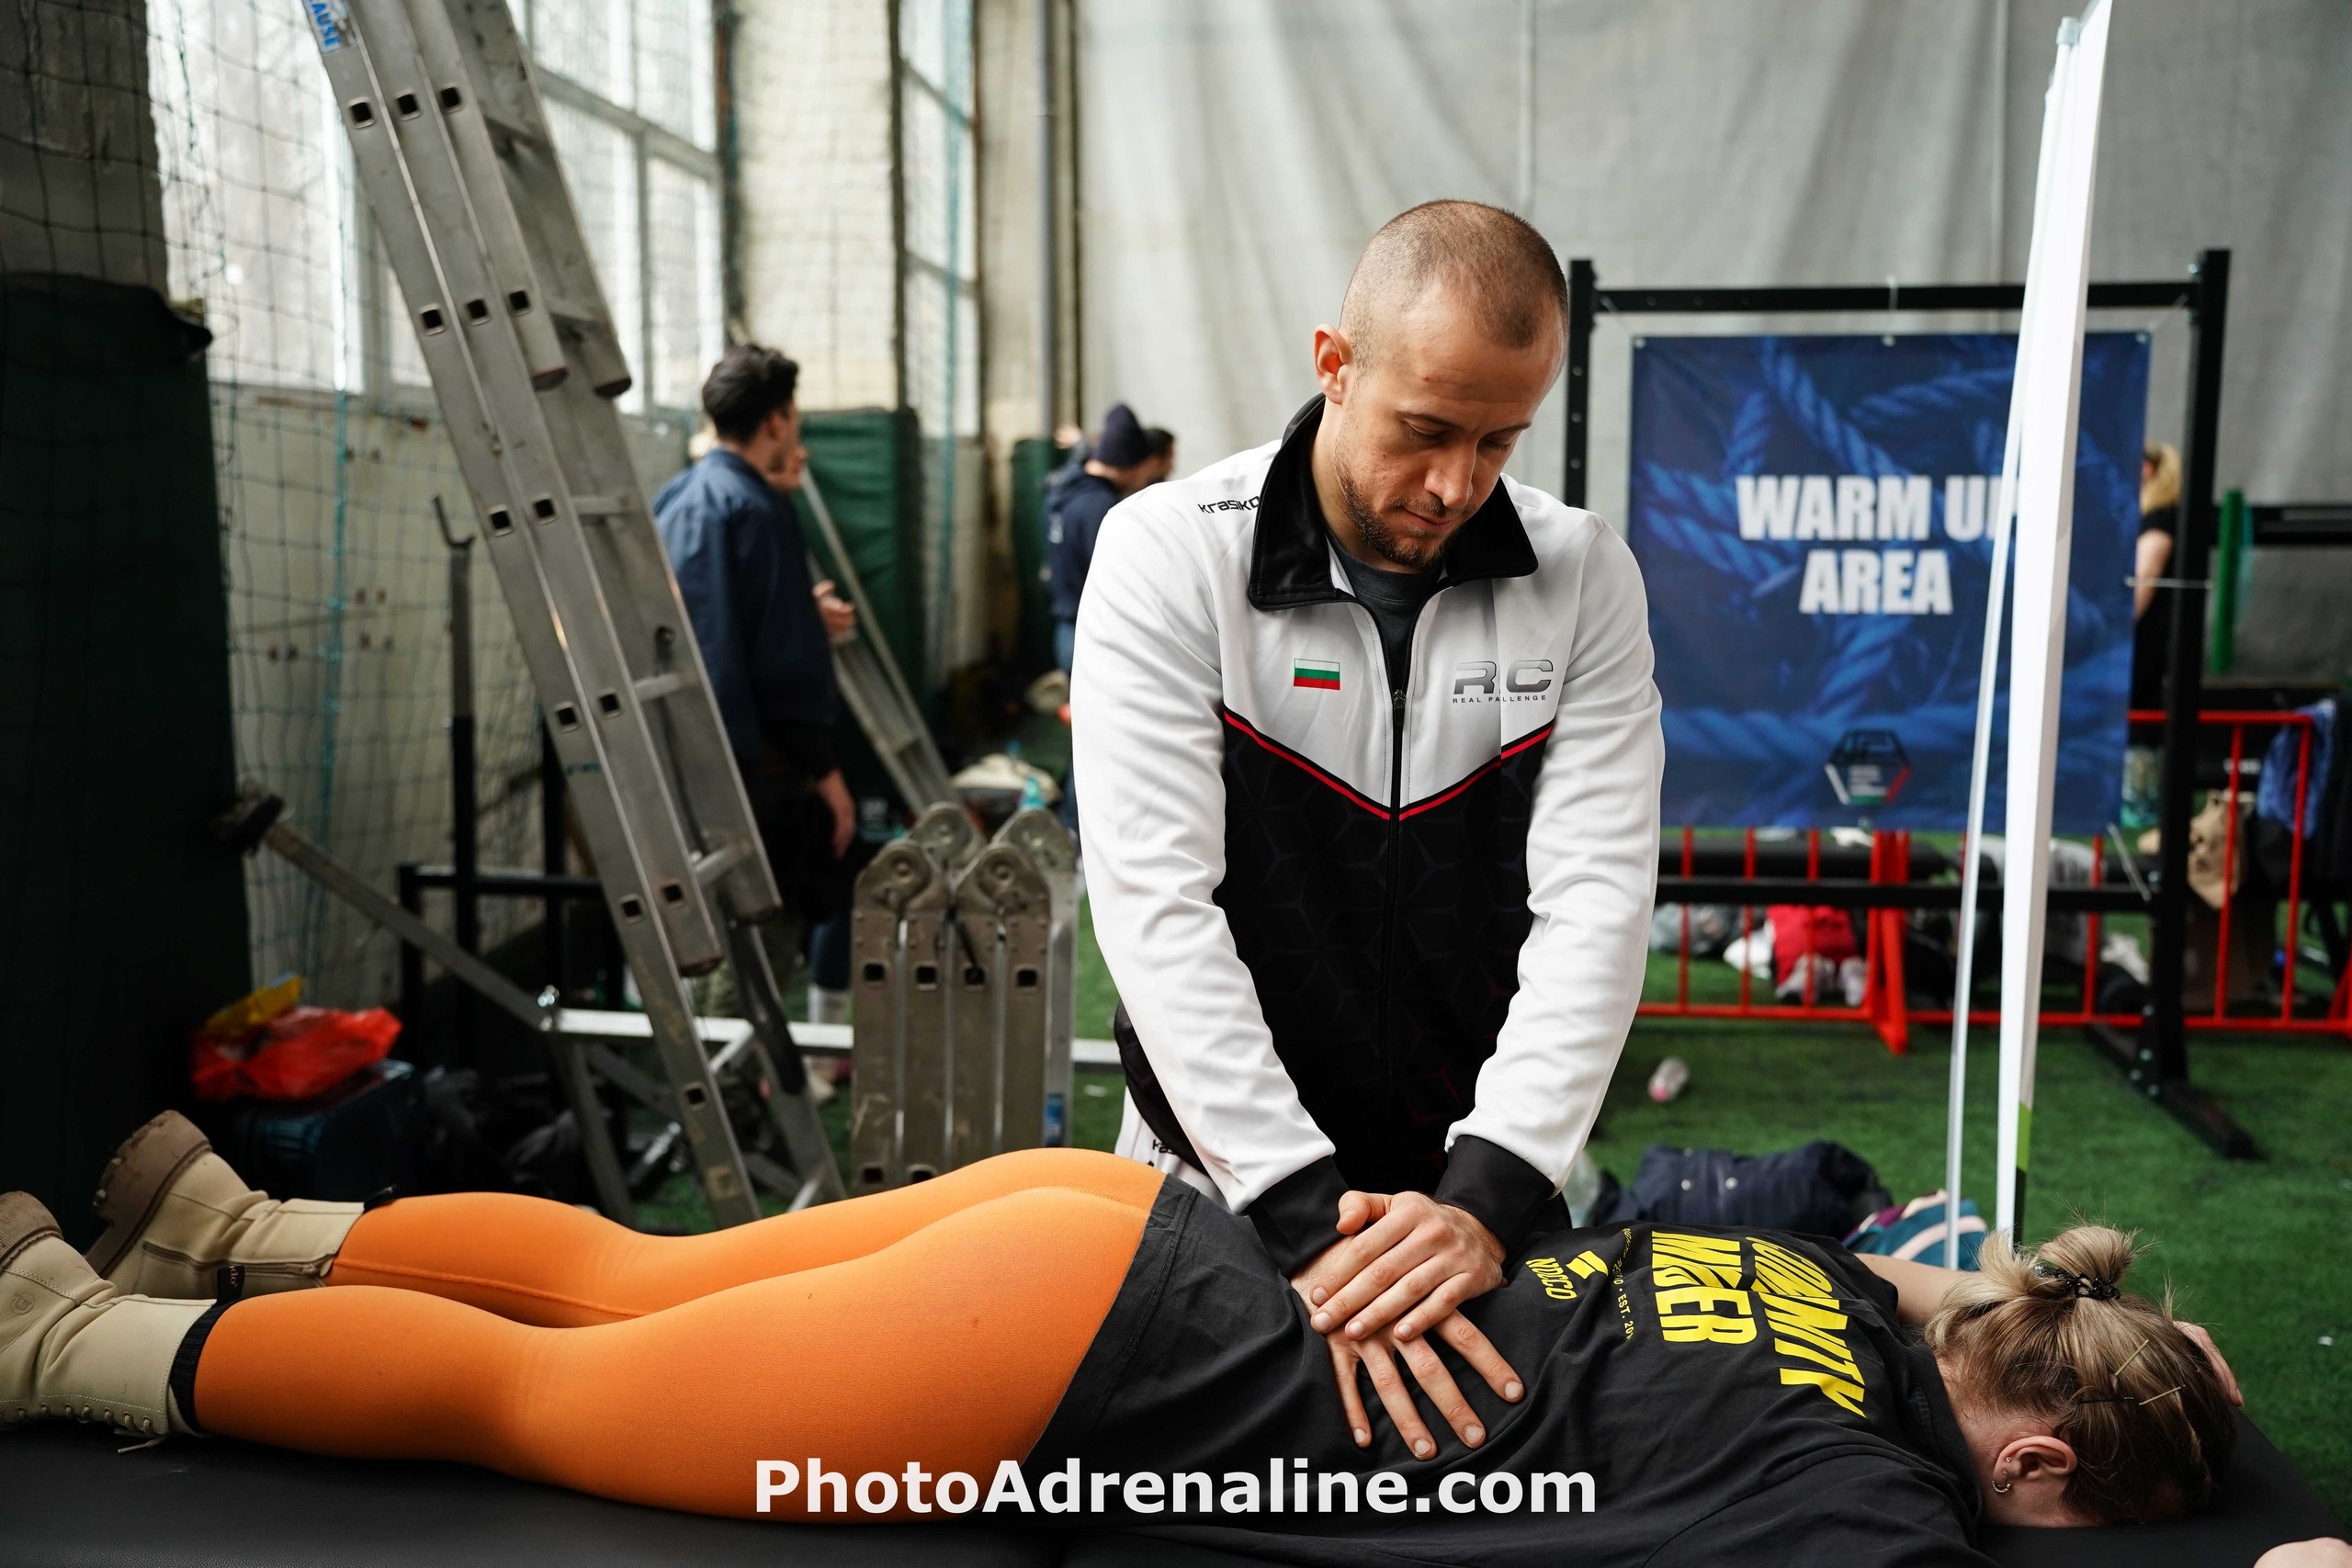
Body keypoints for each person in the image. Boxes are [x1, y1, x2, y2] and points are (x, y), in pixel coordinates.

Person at [15, 1111, 2334, 1568]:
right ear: (2030, 1462)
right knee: (537, 1395)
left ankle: (224, 1215)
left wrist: (2131, 1345)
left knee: (621, 1267)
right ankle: (59, 1347)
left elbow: (1994, 1288)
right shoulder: (1862, 1507)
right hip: (1093, 1348)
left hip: (1117, 1213)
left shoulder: (1844, 1295)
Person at [1071, 200, 1664, 1398]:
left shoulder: (1586, 573)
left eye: (1501, 440)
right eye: (1428, 429)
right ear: (1334, 366)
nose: (1456, 484)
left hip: (1476, 1198)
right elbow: (1156, 903)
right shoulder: (1166, 552)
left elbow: (1599, 902)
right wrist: (1307, 1220)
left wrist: (1485, 1196)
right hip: (1219, 1179)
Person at [652, 344, 858, 1001]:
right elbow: (775, 666)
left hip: (678, 758)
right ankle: (742, 1096)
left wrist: (799, 610)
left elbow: (712, 619)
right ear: (777, 420)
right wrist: (827, 776)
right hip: (757, 770)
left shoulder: (677, 499)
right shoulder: (758, 512)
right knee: (755, 948)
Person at [1046, 401, 1163, 674]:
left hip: (1066, 629)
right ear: (1132, 464)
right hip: (1093, 636)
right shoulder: (1102, 507)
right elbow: (1118, 579)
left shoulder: (1063, 490)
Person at [2122, 442, 2182, 830]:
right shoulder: (2155, 517)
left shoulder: (2159, 519)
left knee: (2139, 712)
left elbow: (2143, 582)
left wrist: (2112, 629)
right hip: (2145, 638)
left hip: (2143, 640)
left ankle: (2139, 803)